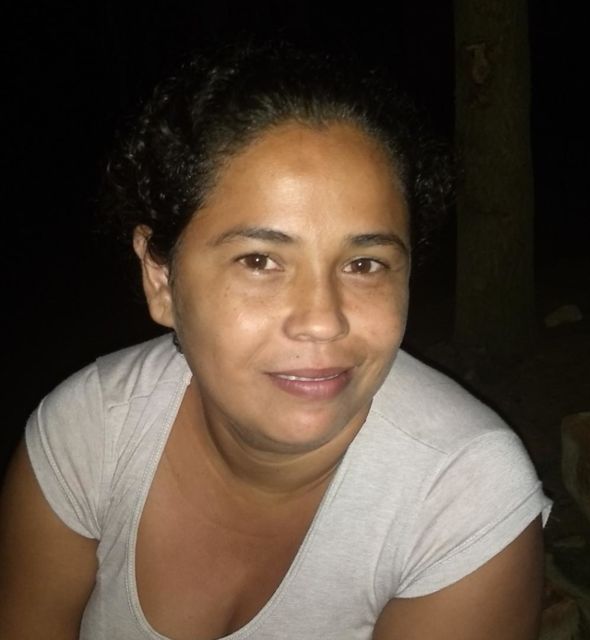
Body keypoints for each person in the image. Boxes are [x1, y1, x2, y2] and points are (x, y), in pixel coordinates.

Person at [0, 42, 551, 640]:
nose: (322, 321)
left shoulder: (459, 499)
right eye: (260, 260)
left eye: (364, 264)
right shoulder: (90, 435)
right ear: (160, 277)